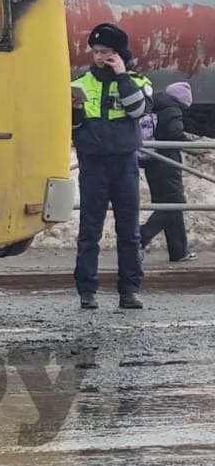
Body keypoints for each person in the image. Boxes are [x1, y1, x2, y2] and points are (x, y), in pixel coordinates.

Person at [71, 22, 154, 310]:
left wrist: (121, 75)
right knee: (89, 229)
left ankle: (130, 290)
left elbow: (138, 110)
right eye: (95, 51)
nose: (99, 57)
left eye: (105, 51)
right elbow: (72, 127)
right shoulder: (82, 82)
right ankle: (87, 290)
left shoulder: (137, 81)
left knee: (129, 231)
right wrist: (75, 113)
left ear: (118, 53)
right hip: (93, 164)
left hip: (124, 163)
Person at [140, 80, 198, 264]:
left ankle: (178, 251)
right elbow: (174, 133)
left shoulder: (155, 105)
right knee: (173, 204)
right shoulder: (172, 109)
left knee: (171, 205)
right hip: (166, 163)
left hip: (153, 162)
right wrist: (189, 141)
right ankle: (140, 236)